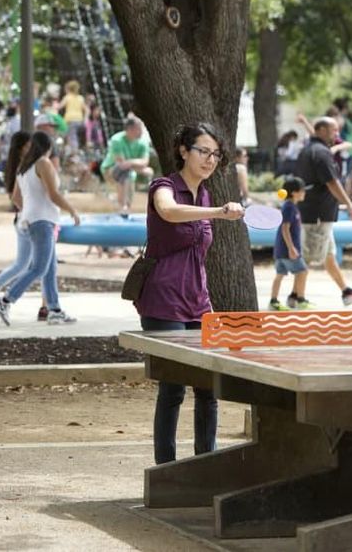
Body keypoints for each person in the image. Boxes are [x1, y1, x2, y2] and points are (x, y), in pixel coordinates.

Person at [135, 123, 245, 464]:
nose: (210, 159)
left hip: (199, 303)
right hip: (163, 300)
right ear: (184, 151)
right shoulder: (164, 187)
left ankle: (205, 466)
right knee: (172, 388)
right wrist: (217, 213)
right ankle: (166, 471)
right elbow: (168, 212)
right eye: (203, 151)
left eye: (215, 154)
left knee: (208, 388)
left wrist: (214, 209)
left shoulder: (207, 195)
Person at [0, 131, 81, 326]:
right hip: (43, 220)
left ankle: (54, 310)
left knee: (49, 268)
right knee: (39, 268)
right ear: (48, 147)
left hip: (32, 219)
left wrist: (30, 211)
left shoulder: (24, 167)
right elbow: (53, 194)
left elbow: (15, 198)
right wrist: (72, 210)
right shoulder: (43, 163)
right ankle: (5, 300)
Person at [0, 131, 51, 322]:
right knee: (44, 265)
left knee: (25, 265)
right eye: (30, 144)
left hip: (22, 220)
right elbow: (20, 197)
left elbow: (15, 197)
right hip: (31, 221)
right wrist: (34, 214)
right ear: (24, 147)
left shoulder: (18, 166)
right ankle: (46, 307)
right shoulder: (30, 166)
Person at [294, 116, 352, 306]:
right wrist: (349, 205)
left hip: (317, 212)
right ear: (321, 130)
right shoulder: (321, 153)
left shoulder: (309, 150)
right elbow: (332, 183)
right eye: (334, 130)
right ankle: (297, 297)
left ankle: (347, 292)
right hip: (316, 214)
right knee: (308, 256)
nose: (337, 134)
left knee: (328, 255)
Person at [269, 176, 312, 311]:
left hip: (281, 250)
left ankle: (273, 301)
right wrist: (291, 248)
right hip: (287, 250)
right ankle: (301, 300)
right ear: (294, 192)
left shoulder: (289, 206)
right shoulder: (289, 207)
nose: (304, 193)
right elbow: (285, 228)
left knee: (280, 274)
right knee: (303, 271)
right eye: (302, 190)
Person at [100, 117, 154, 215]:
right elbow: (121, 163)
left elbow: (145, 162)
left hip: (129, 171)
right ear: (130, 130)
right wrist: (140, 168)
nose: (142, 132)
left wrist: (131, 163)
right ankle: (123, 206)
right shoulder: (117, 140)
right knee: (126, 173)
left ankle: (125, 206)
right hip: (110, 170)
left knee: (129, 174)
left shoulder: (143, 143)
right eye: (139, 129)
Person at [59, 80, 88, 151]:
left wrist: (53, 107)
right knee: (69, 135)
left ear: (68, 89)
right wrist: (85, 119)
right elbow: (87, 110)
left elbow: (59, 106)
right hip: (79, 120)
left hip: (70, 120)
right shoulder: (80, 98)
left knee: (71, 136)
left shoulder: (67, 97)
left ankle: (74, 152)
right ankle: (69, 151)